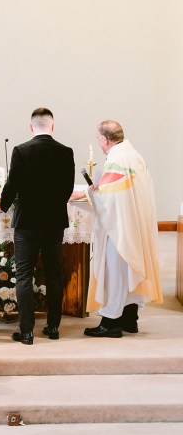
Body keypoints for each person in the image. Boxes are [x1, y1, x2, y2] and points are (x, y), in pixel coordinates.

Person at [0, 107, 75, 344]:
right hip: (54, 222)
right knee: (53, 274)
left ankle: (27, 332)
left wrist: (4, 204)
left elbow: (12, 184)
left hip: (27, 222)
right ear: (52, 126)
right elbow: (67, 188)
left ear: (32, 127)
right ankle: (53, 328)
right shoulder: (65, 151)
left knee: (23, 275)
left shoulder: (22, 150)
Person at [84, 120, 163, 337]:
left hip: (120, 229)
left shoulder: (116, 159)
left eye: (98, 138)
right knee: (128, 273)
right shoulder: (135, 156)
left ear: (104, 139)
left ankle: (110, 324)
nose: (99, 143)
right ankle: (130, 320)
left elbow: (109, 199)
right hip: (136, 225)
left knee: (114, 274)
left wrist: (93, 192)